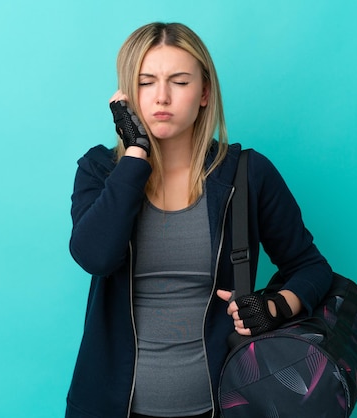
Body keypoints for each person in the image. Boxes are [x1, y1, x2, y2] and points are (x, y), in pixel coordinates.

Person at [65, 22, 333, 418]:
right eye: (145, 82)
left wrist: (274, 307)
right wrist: (136, 154)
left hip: (221, 405)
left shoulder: (248, 174)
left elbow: (311, 267)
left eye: (179, 81)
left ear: (205, 93)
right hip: (106, 407)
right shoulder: (100, 171)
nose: (161, 97)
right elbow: (96, 257)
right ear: (126, 95)